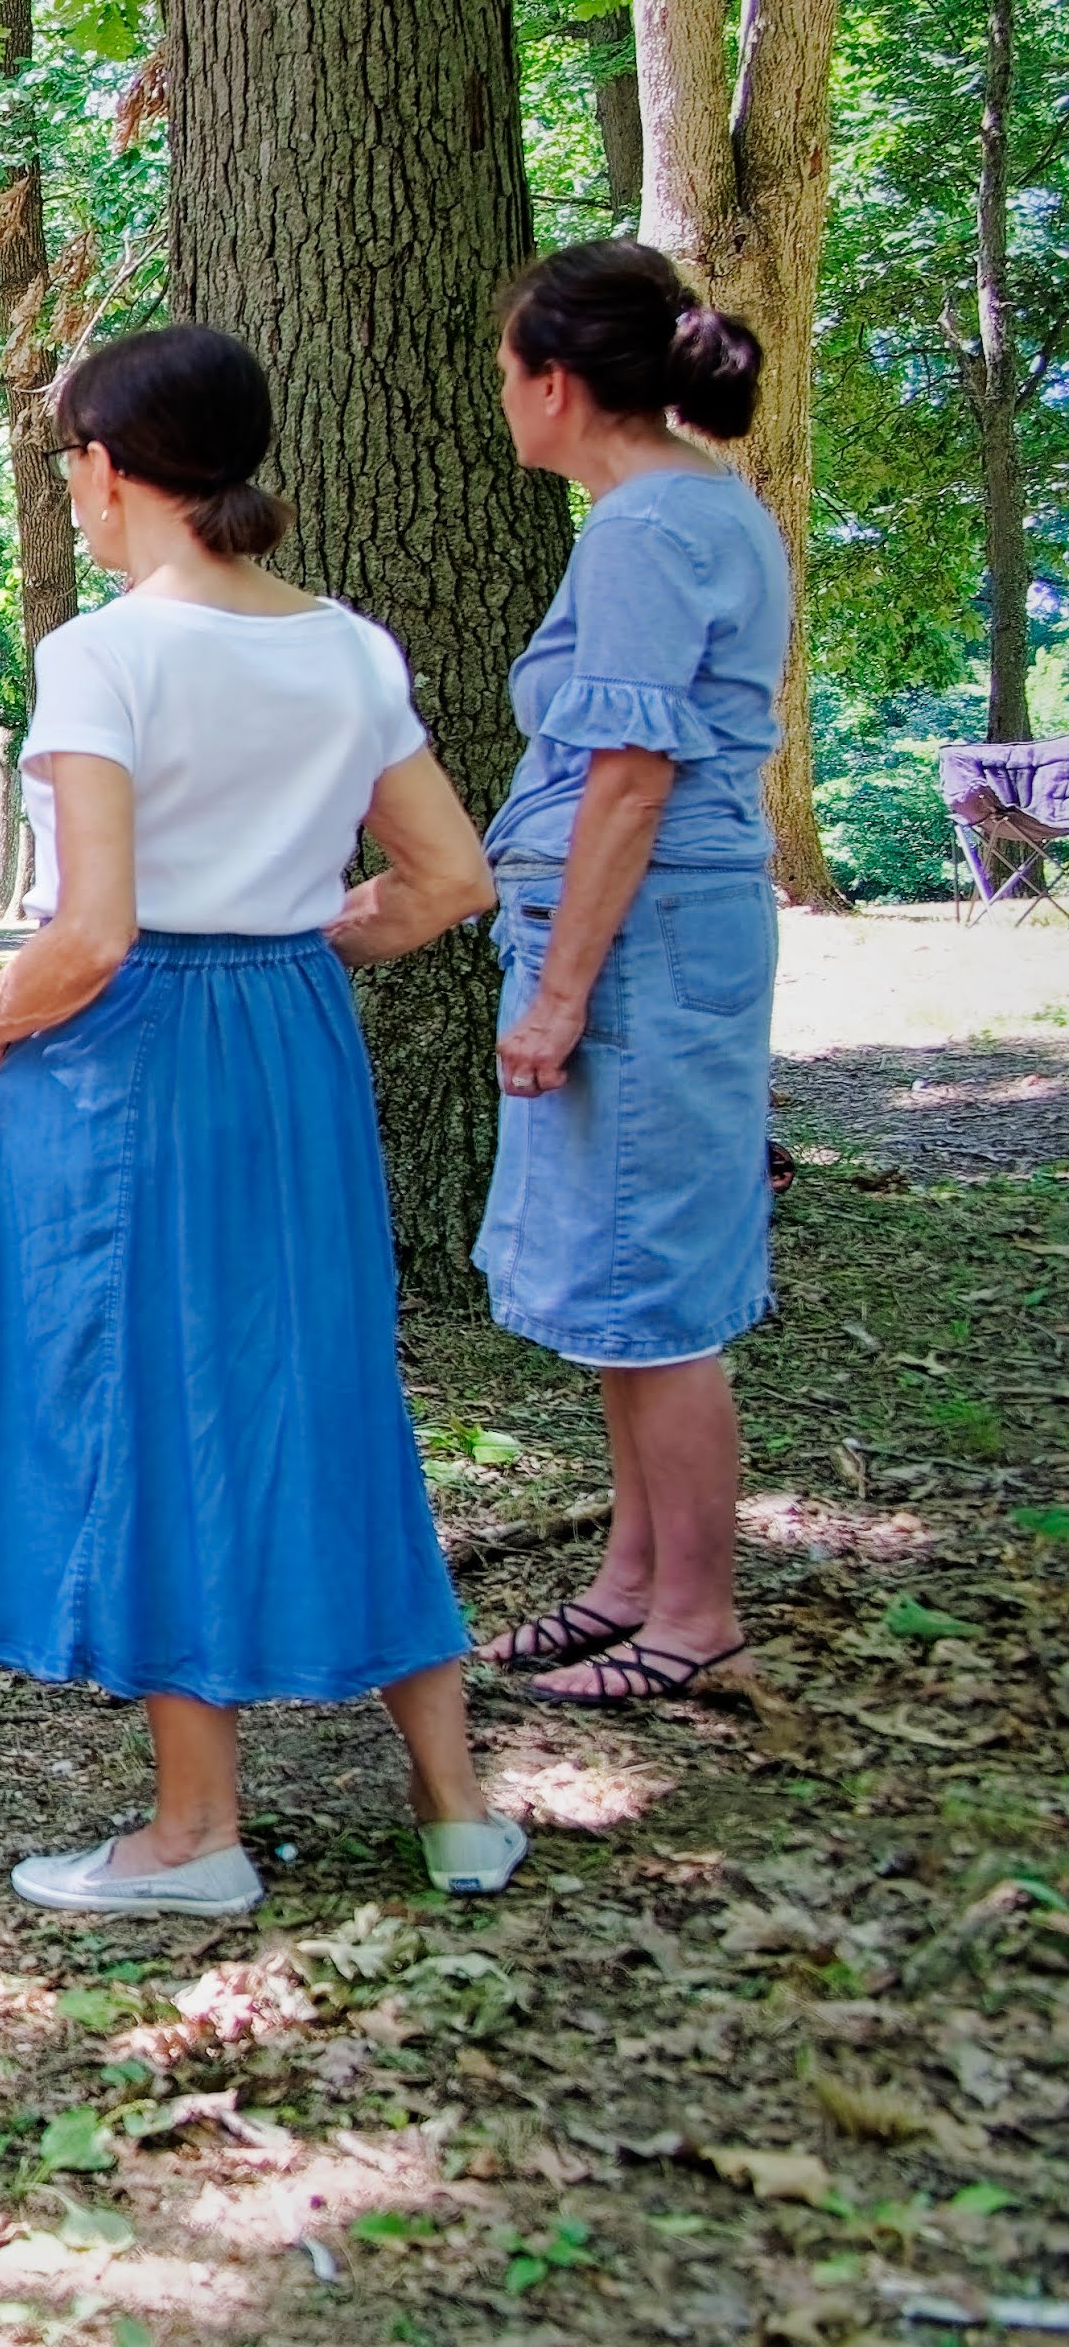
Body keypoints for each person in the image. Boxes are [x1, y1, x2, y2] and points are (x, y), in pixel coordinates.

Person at [0, 327, 516, 1915]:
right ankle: (455, 1805)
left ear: (108, 468)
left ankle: (194, 1834)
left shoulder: (103, 653)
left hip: (134, 1056)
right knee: (329, 1384)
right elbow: (451, 878)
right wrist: (307, 944)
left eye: (70, 462)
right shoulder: (347, 646)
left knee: (152, 1400)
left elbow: (93, 930)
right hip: (289, 1038)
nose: (71, 489)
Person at [471, 242, 790, 1711]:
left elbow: (628, 778)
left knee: (653, 1284)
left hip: (639, 931)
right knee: (619, 1271)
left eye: (505, 374)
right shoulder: (681, 510)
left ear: (556, 382)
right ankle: (629, 1577)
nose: (501, 400)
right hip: (649, 924)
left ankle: (695, 1613)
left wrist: (557, 994)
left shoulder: (646, 528)